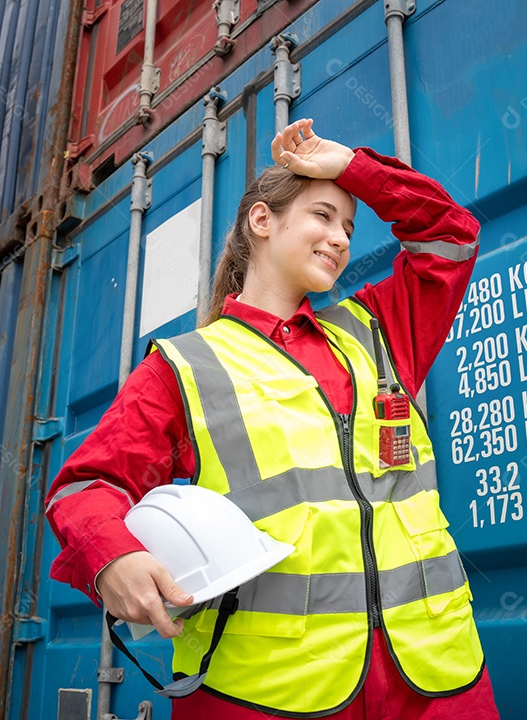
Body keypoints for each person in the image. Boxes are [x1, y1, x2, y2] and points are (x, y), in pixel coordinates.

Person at [45, 118, 500, 719]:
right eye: (322, 216)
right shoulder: (186, 367)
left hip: (437, 682)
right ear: (262, 221)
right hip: (269, 696)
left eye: (348, 225)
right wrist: (114, 557)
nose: (340, 238)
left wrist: (349, 168)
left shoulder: (377, 331)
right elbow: (86, 487)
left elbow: (450, 236)